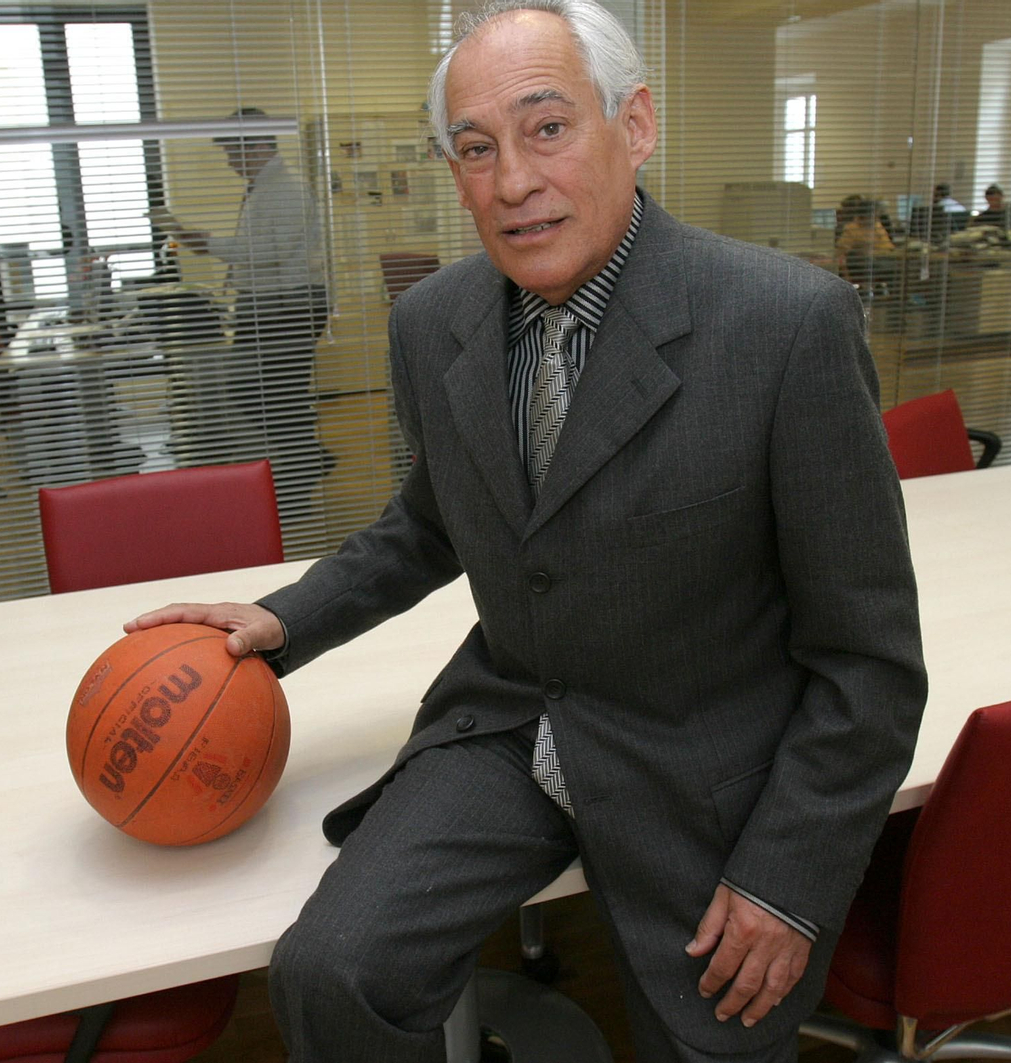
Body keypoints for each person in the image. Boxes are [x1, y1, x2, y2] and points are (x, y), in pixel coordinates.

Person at [130, 3, 925, 1060]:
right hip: (511, 720)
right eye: (474, 149)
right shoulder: (432, 325)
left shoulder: (784, 327)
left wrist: (787, 879)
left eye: (546, 128)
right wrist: (283, 621)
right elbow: (432, 520)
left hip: (702, 755)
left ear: (632, 125)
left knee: (710, 1042)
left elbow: (867, 661)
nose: (511, 182)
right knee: (329, 974)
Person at [177, 107, 332, 505]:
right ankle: (309, 458)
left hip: (285, 307)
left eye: (234, 150)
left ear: (260, 144)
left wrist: (207, 243)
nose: (230, 161)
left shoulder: (287, 190)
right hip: (267, 305)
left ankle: (303, 474)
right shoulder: (266, 189)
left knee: (273, 392)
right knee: (261, 390)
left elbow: (272, 252)